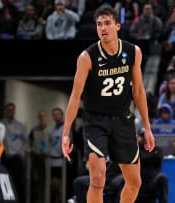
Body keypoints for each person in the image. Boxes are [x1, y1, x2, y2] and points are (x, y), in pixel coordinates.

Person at [61, 5, 155, 203]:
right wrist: (66, 132)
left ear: (117, 26)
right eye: (99, 24)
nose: (103, 28)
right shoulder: (86, 57)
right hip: (96, 121)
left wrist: (147, 127)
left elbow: (138, 91)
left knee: (135, 182)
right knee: (97, 178)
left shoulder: (133, 52)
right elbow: (75, 96)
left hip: (123, 119)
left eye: (107, 23)